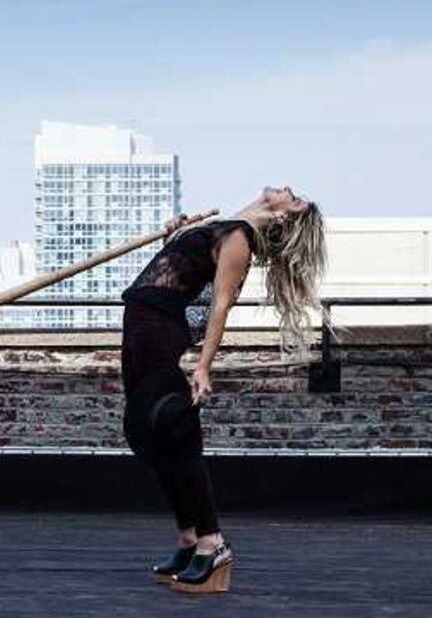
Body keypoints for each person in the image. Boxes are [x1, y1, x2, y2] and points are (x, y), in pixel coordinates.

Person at [119, 186, 327, 593]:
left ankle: (212, 544)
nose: (288, 188)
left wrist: (203, 367)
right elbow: (174, 275)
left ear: (285, 218)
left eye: (297, 198)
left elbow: (220, 302)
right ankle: (189, 539)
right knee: (146, 435)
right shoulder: (225, 226)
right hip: (142, 327)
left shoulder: (239, 239)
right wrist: (174, 238)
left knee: (174, 426)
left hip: (157, 330)